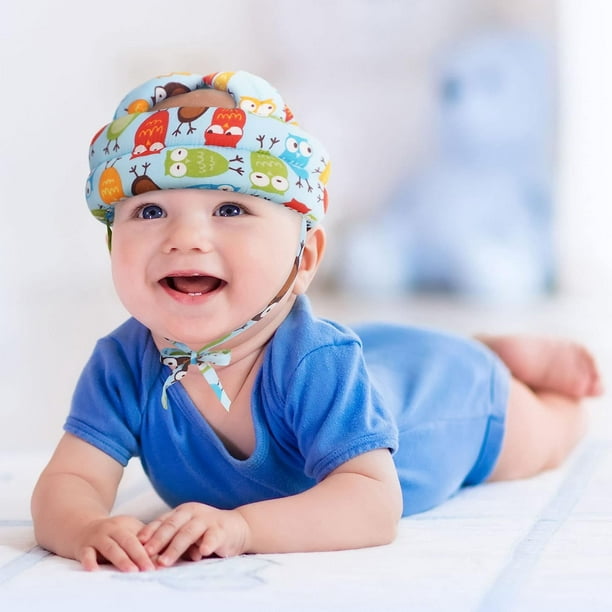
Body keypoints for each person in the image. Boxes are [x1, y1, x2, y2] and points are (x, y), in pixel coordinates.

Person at [31, 70, 603, 573]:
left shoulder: (314, 362)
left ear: (302, 259)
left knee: (548, 434)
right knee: (373, 359)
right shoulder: (122, 364)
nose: (185, 238)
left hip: (450, 403)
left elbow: (373, 505)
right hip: (374, 364)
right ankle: (479, 347)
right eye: (150, 210)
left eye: (230, 209)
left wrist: (245, 528)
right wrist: (83, 527)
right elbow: (70, 483)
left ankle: (500, 364)